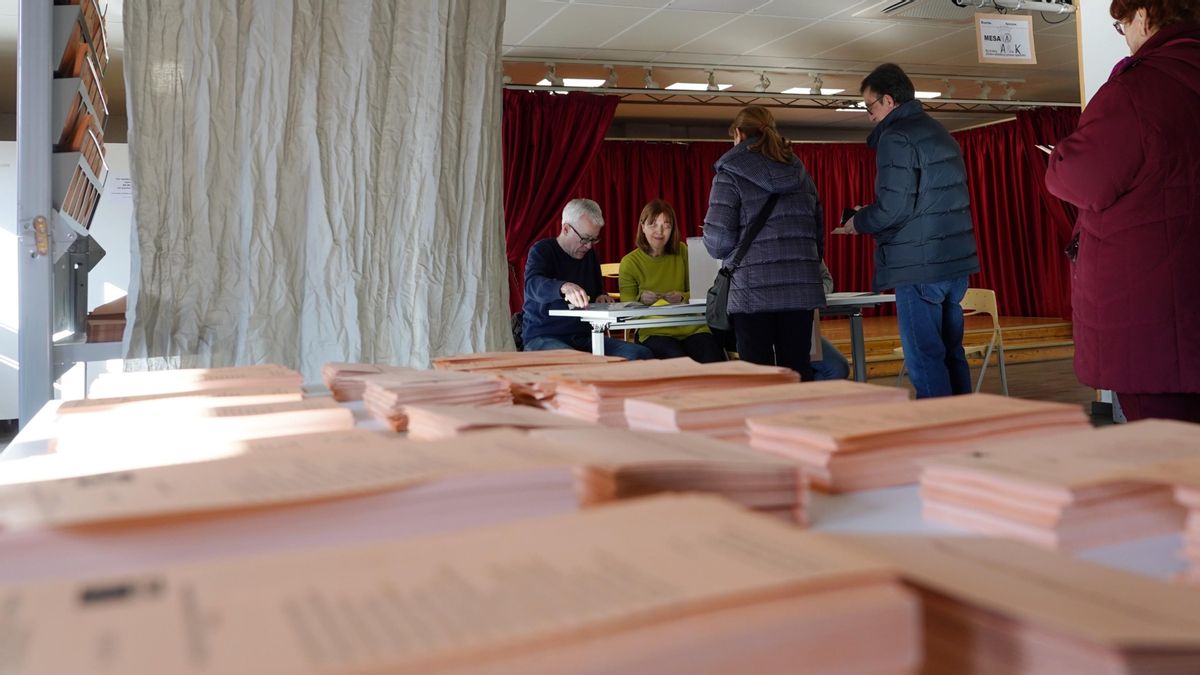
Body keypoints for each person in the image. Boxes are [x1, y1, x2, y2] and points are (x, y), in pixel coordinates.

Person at [1045, 1, 1200, 422]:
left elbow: (1077, 179)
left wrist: (1060, 154)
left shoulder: (1137, 89)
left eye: (1122, 25)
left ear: (1145, 16)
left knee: (1168, 466)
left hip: (1156, 323)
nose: (1127, 38)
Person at [834, 63, 979, 399]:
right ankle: (965, 429)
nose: (869, 115)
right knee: (951, 352)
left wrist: (859, 221)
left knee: (925, 358)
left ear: (888, 101)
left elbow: (894, 209)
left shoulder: (895, 137)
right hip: (954, 266)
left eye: (869, 106)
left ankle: (939, 437)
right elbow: (924, 201)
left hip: (918, 266)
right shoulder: (940, 131)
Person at [702, 106, 825, 381]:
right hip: (799, 293)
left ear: (738, 134)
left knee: (758, 379)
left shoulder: (729, 174)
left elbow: (718, 243)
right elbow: (817, 234)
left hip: (751, 294)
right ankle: (799, 424)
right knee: (796, 373)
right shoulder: (801, 175)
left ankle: (763, 425)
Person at [521, 198, 653, 360]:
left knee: (640, 354)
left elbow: (597, 292)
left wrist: (601, 298)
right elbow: (532, 285)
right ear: (566, 229)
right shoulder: (542, 250)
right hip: (544, 336)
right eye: (585, 239)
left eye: (594, 239)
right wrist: (564, 287)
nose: (589, 246)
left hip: (585, 338)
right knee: (576, 362)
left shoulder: (589, 256)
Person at [618, 200, 726, 363]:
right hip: (654, 332)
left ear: (673, 228)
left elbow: (703, 292)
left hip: (692, 327)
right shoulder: (629, 262)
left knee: (712, 355)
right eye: (653, 224)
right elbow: (626, 306)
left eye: (666, 225)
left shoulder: (683, 251)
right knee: (677, 360)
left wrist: (683, 297)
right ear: (642, 226)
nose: (659, 231)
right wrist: (641, 299)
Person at [811, 262, 852, 381]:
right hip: (768, 326)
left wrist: (814, 293)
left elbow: (826, 279)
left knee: (837, 368)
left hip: (806, 325)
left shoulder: (811, 245)